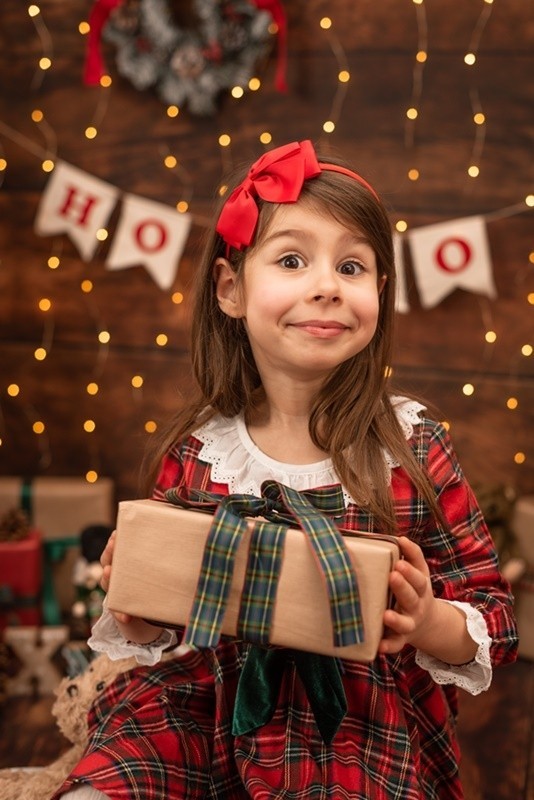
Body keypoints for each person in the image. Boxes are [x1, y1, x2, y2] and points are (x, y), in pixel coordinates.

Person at [54, 140, 518, 800]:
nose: (327, 285)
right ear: (231, 288)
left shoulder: (409, 449)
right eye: (293, 260)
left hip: (352, 714)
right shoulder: (203, 455)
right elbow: (164, 621)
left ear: (381, 293)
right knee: (114, 774)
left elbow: (493, 621)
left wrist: (425, 623)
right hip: (209, 698)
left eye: (352, 266)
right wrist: (137, 612)